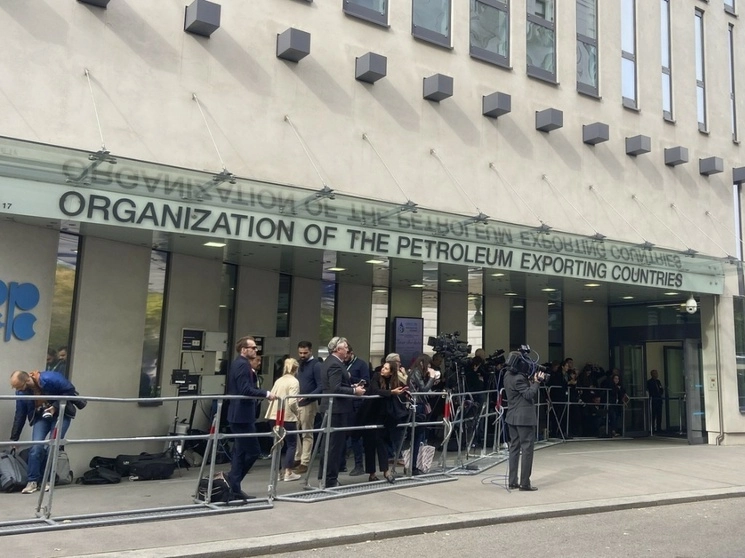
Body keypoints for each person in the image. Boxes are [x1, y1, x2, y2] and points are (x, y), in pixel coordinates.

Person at [9, 369, 81, 494]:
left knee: (52, 447)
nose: (18, 390)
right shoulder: (21, 392)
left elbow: (70, 391)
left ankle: (46, 481)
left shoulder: (50, 378)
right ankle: (32, 481)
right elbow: (20, 414)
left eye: (19, 387)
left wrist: (55, 407)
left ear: (27, 380)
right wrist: (14, 439)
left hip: (61, 415)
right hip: (41, 416)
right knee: (36, 447)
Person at [226, 336, 275, 499]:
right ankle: (232, 482)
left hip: (240, 415)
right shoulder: (242, 364)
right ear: (243, 350)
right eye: (252, 347)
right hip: (241, 416)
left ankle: (233, 487)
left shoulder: (239, 363)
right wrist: (266, 393)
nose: (256, 350)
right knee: (253, 451)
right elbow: (245, 389)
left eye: (255, 347)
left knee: (240, 452)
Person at [319, 336, 365, 488]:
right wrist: (354, 391)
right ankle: (330, 479)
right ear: (338, 349)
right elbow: (335, 388)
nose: (347, 350)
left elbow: (336, 385)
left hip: (333, 408)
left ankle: (325, 476)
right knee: (334, 445)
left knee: (329, 444)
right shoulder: (335, 365)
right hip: (336, 409)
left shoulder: (330, 362)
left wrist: (352, 386)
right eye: (345, 347)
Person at [358, 360, 406, 483]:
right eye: (383, 367)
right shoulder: (376, 376)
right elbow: (375, 390)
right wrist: (391, 392)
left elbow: (404, 385)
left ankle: (385, 471)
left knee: (382, 442)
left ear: (391, 372)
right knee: (369, 444)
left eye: (386, 368)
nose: (382, 370)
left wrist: (403, 379)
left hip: (383, 416)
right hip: (370, 414)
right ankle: (372, 473)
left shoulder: (394, 381)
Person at [502, 351, 545, 491]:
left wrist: (530, 381)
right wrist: (537, 382)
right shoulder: (519, 378)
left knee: (514, 448)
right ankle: (525, 483)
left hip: (512, 416)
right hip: (524, 418)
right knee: (527, 450)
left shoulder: (507, 375)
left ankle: (512, 481)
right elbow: (529, 394)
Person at [265, 358, 301, 482]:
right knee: (292, 444)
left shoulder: (279, 380)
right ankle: (288, 472)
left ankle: (277, 472)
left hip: (273, 415)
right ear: (296, 369)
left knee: (277, 444)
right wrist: (297, 412)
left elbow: (270, 398)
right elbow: (292, 401)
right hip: (287, 416)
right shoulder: (294, 381)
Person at [294, 341, 323, 475]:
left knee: (306, 432)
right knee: (294, 431)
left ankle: (304, 461)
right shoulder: (299, 364)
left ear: (310, 351)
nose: (302, 355)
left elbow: (321, 386)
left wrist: (308, 396)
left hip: (309, 403)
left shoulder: (316, 365)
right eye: (300, 353)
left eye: (305, 353)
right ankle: (297, 457)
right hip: (297, 402)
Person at [406, 354, 437, 475]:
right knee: (417, 437)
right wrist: (432, 378)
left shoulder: (416, 372)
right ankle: (413, 466)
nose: (429, 367)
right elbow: (423, 389)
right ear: (422, 363)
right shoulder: (416, 372)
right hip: (417, 406)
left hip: (418, 405)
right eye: (428, 364)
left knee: (418, 437)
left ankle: (414, 465)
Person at [344, 346, 370, 476]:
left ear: (351, 353)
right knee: (343, 434)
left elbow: (366, 381)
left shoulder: (361, 364)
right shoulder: (341, 364)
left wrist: (352, 378)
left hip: (357, 403)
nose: (344, 357)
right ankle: (341, 464)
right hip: (345, 402)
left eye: (346, 355)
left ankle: (359, 464)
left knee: (355, 435)